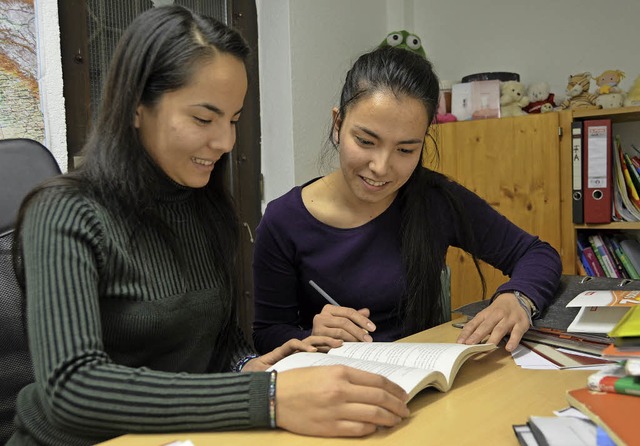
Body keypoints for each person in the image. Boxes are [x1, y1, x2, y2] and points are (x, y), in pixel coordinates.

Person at [8, 7, 411, 445]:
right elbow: (71, 388)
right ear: (137, 107)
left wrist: (246, 366)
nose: (225, 142)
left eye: (233, 120)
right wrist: (269, 396)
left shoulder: (201, 204)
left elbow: (215, 344)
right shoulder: (64, 212)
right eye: (204, 118)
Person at [252, 46, 562, 355]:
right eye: (365, 141)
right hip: (335, 390)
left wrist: (517, 297)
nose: (381, 167)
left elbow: (536, 253)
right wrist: (311, 336)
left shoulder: (434, 199)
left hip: (424, 383)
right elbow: (267, 333)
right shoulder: (284, 220)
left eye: (405, 150)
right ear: (337, 125)